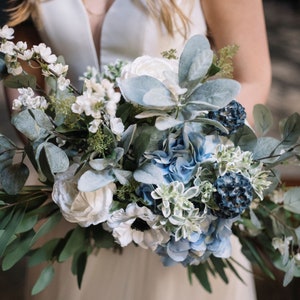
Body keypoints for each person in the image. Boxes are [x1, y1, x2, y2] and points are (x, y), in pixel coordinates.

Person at [1, 0, 271, 299]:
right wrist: (55, 158)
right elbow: (22, 71)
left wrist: (194, 172)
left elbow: (252, 78)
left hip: (177, 210)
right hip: (78, 204)